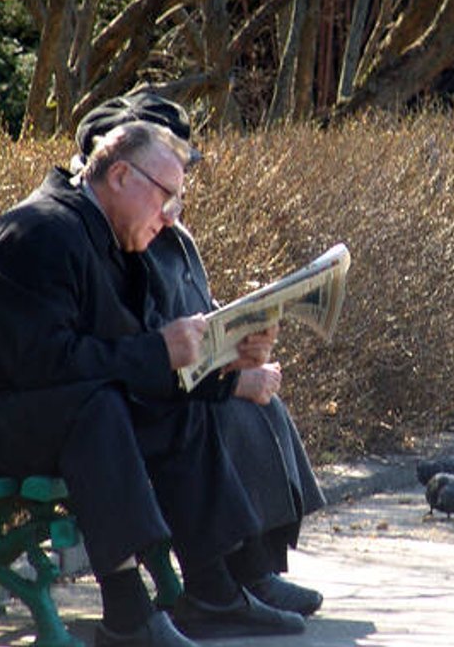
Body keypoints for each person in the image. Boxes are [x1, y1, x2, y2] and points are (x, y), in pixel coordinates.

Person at [0, 120, 308, 647]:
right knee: (97, 408)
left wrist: (224, 367)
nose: (170, 217)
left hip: (36, 412)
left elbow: (128, 361)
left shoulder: (111, 238)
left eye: (177, 203)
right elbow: (43, 366)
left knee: (163, 407)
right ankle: (127, 616)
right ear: (119, 175)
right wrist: (160, 349)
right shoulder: (39, 233)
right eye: (166, 196)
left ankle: (211, 590)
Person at [71, 89, 327, 615]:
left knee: (261, 401)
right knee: (223, 409)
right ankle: (239, 572)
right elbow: (143, 337)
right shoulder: (113, 233)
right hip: (143, 394)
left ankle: (257, 568)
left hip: (177, 375)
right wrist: (231, 378)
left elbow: (198, 313)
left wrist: (245, 342)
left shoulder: (168, 229)